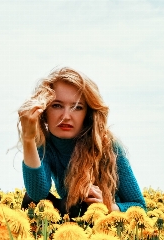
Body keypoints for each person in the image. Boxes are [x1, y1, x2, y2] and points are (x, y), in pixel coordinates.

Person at [18, 67, 146, 217]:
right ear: (44, 112)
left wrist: (107, 206)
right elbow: (37, 193)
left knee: (82, 202)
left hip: (107, 223)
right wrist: (28, 139)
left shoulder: (108, 145)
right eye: (57, 105)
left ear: (88, 114)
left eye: (77, 107)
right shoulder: (45, 144)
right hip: (71, 216)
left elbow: (139, 207)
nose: (66, 116)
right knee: (30, 202)